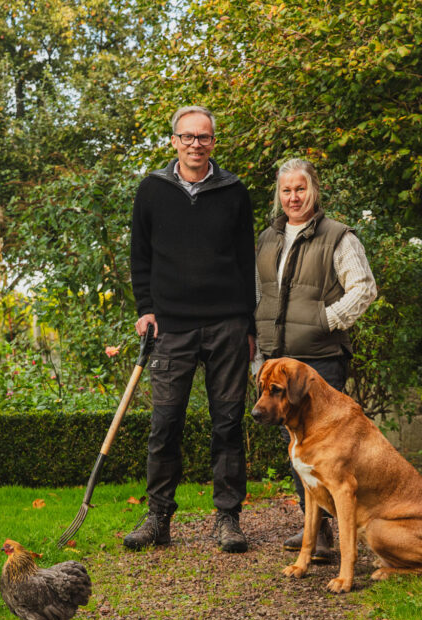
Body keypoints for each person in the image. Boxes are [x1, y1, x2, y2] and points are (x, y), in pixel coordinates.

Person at [124, 105, 256, 553]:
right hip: (172, 328)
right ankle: (158, 517)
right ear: (175, 141)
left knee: (228, 423)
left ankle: (228, 518)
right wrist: (146, 308)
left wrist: (249, 323)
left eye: (204, 137)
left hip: (227, 325)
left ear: (214, 142)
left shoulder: (235, 192)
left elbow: (246, 263)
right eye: (187, 137)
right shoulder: (152, 191)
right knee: (165, 423)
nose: (195, 144)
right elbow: (140, 257)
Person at [254, 158, 377, 562]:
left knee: (329, 449)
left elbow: (363, 288)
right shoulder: (268, 239)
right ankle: (319, 532)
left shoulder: (339, 237)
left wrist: (326, 320)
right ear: (279, 195)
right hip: (278, 360)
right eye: (286, 190)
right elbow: (260, 293)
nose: (293, 197)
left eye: (300, 188)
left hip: (319, 360)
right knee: (299, 449)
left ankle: (346, 532)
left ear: (314, 191)